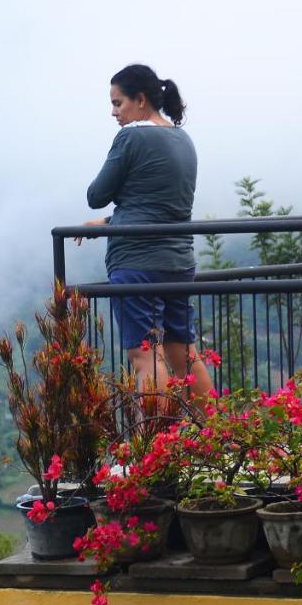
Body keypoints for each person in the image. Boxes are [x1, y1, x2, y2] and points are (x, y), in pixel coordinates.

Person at [79, 63, 214, 399]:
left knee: (144, 356)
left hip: (137, 262)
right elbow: (164, 206)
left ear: (140, 100)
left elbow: (96, 195)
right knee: (182, 353)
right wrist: (111, 223)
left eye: (118, 103)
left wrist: (110, 216)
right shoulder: (183, 139)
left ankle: (155, 446)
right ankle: (218, 435)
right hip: (179, 262)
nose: (113, 112)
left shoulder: (131, 137)